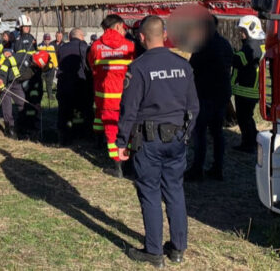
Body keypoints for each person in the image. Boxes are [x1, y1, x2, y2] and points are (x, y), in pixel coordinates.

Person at [117, 16, 199, 267]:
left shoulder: (138, 67)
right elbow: (194, 107)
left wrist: (121, 141)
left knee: (150, 192)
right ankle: (178, 248)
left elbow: (129, 109)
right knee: (175, 190)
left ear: (141, 38)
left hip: (148, 141)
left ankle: (154, 252)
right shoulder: (183, 65)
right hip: (177, 139)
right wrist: (186, 134)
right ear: (164, 35)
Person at [186, 14, 233, 182]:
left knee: (200, 132)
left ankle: (197, 169)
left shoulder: (202, 45)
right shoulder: (225, 44)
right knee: (217, 132)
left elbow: (192, 66)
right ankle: (218, 168)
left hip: (205, 94)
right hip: (222, 93)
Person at [88, 14, 135, 177]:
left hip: (106, 97)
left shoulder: (95, 46)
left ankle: (117, 166)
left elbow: (93, 68)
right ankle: (128, 162)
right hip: (127, 96)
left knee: (111, 129)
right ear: (118, 26)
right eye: (123, 28)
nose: (124, 31)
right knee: (127, 127)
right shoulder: (130, 46)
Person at [231, 15, 265, 153]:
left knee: (244, 119)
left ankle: (249, 145)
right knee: (247, 118)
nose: (241, 33)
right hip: (251, 88)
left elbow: (239, 61)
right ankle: (252, 141)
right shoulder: (259, 43)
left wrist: (229, 53)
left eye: (243, 30)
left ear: (252, 29)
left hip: (246, 89)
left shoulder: (251, 46)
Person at [55, 28, 93, 145]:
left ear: (70, 37)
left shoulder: (61, 48)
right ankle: (83, 134)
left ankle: (64, 136)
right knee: (84, 109)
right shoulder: (85, 47)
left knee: (64, 111)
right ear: (81, 36)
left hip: (64, 84)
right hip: (81, 84)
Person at [38, 34, 57, 101]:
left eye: (48, 40)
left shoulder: (52, 47)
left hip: (51, 68)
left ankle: (50, 96)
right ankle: (39, 96)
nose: (47, 41)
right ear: (43, 40)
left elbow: (54, 57)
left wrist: (55, 65)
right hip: (42, 68)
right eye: (46, 40)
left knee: (49, 83)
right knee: (40, 83)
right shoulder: (40, 47)